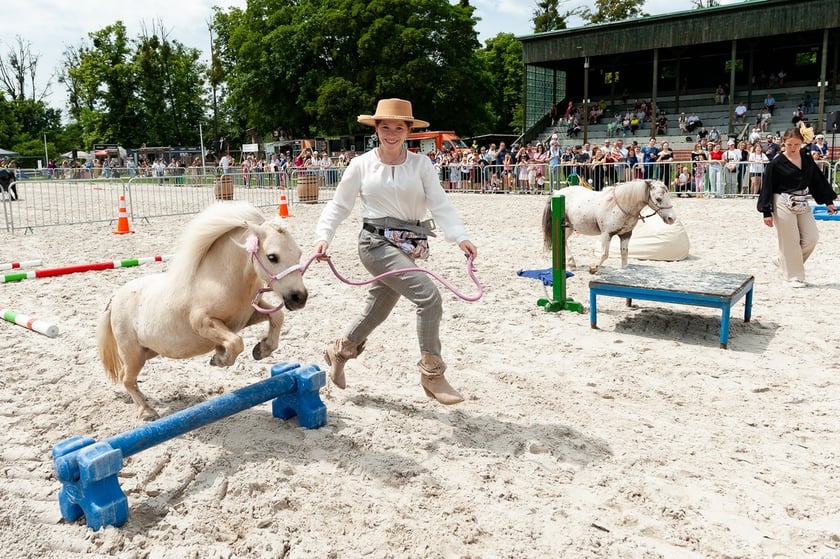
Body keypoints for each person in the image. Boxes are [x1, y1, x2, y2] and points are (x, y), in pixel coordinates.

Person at [314, 98, 478, 404]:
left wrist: (459, 237)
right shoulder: (360, 165)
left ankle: (340, 350)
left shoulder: (421, 164)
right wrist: (324, 237)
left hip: (409, 244)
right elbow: (339, 205)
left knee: (379, 307)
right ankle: (432, 373)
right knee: (429, 298)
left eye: (398, 127)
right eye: (385, 126)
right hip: (374, 244)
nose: (391, 132)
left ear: (408, 130)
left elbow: (439, 203)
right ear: (376, 128)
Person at [757, 127, 837, 287]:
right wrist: (767, 211)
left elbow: (817, 179)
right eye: (789, 144)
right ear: (783, 144)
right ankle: (793, 276)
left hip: (801, 199)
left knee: (811, 238)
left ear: (802, 143)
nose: (793, 148)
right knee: (791, 240)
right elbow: (767, 187)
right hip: (781, 200)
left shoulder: (806, 159)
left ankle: (783, 260)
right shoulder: (776, 164)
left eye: (796, 144)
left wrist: (828, 200)